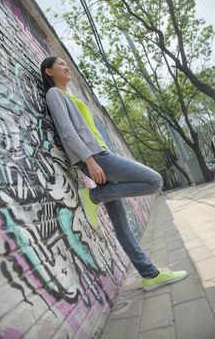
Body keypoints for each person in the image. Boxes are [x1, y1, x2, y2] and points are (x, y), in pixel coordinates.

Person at [40, 55, 188, 291]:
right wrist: (90, 160)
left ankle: (150, 275)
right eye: (61, 65)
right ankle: (94, 196)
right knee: (154, 181)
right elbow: (67, 132)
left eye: (67, 64)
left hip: (100, 153)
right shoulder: (54, 94)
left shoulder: (69, 95)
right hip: (96, 157)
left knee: (122, 226)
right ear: (49, 72)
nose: (66, 67)